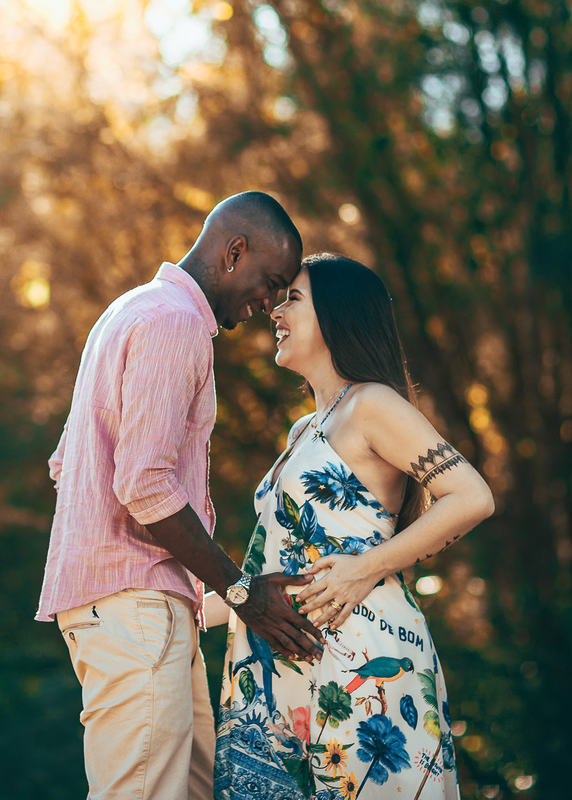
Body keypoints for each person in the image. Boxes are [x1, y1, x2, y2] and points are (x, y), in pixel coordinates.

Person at [37, 192, 326, 800]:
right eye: (269, 282)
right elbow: (143, 485)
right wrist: (243, 593)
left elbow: (70, 466)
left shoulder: (132, 310)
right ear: (233, 251)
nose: (269, 302)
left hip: (138, 606)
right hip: (136, 607)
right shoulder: (174, 324)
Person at [207, 253, 494, 800]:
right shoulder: (302, 430)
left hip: (365, 655)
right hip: (283, 658)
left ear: (338, 316)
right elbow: (270, 571)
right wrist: (172, 612)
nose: (274, 311)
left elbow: (472, 496)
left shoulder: (371, 404)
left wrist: (366, 567)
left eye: (293, 298)